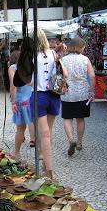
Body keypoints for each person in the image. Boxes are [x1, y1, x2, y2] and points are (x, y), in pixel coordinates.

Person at [30, 29, 67, 179]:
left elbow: (27, 80)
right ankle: (47, 164)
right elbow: (64, 73)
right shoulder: (53, 53)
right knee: (48, 132)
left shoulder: (31, 56)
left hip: (39, 95)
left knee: (43, 133)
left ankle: (49, 170)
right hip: (54, 94)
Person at [61, 37, 95, 156]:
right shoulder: (85, 59)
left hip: (67, 93)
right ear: (80, 47)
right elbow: (92, 76)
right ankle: (79, 142)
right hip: (82, 93)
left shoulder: (63, 59)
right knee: (80, 118)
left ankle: (71, 140)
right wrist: (92, 90)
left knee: (67, 118)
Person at [8, 37, 35, 158]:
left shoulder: (13, 68)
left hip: (20, 100)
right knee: (34, 123)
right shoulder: (33, 64)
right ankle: (36, 146)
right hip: (32, 97)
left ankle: (17, 152)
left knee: (20, 129)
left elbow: (13, 86)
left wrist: (13, 102)